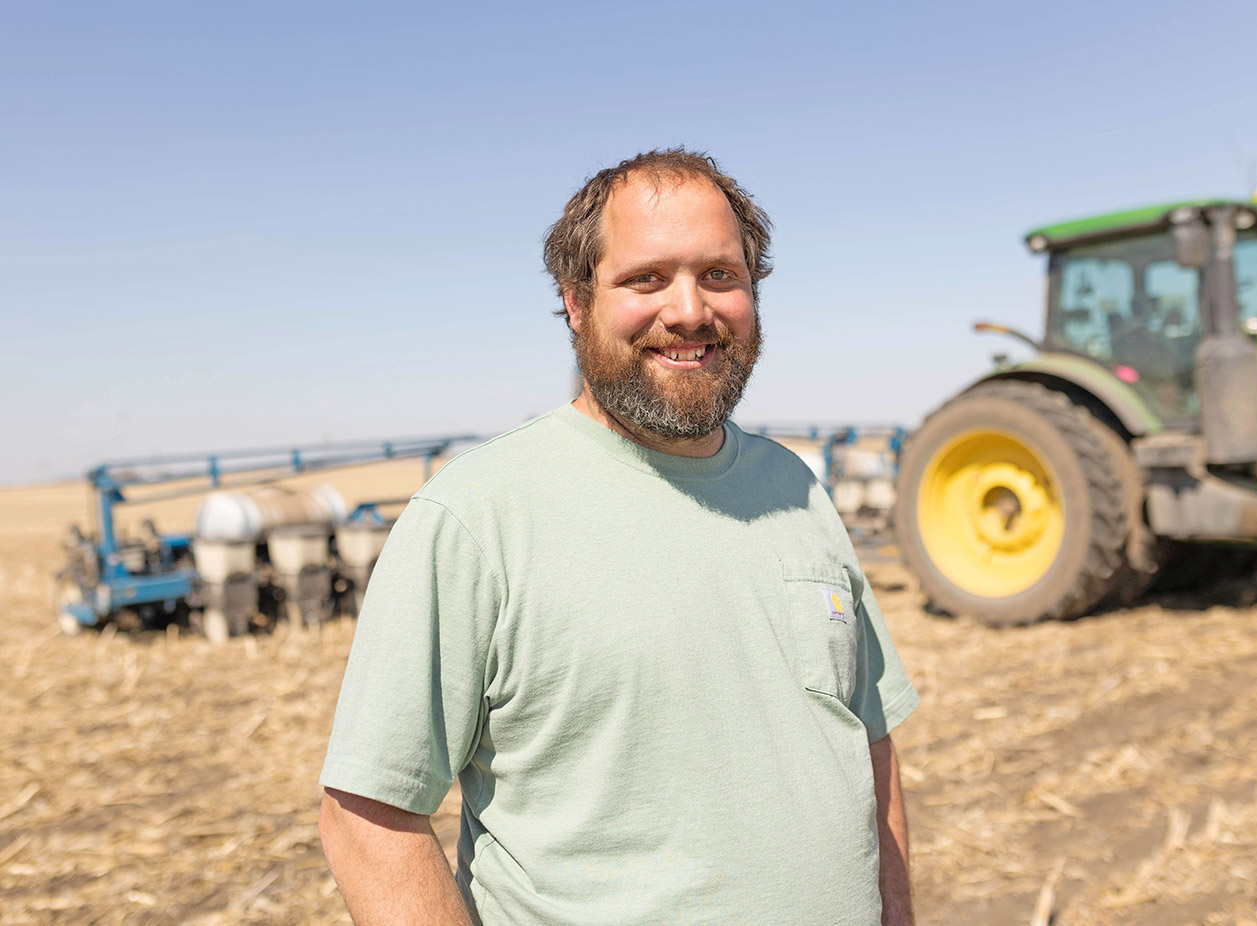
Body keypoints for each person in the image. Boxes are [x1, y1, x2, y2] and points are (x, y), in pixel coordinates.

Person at [318, 148, 920, 925]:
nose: (690, 311)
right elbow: (370, 819)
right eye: (646, 279)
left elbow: (868, 748)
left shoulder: (795, 489)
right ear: (575, 301)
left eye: (720, 275)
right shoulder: (475, 518)